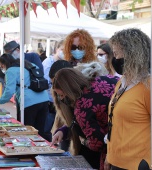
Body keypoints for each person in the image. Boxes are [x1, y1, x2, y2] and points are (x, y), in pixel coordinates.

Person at [51, 67, 118, 169]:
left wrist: (82, 140)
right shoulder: (102, 79)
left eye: (62, 95)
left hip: (113, 150)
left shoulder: (82, 107)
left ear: (69, 90)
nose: (61, 98)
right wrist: (65, 129)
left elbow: (97, 144)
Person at [104, 28, 151, 170]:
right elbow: (116, 122)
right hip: (117, 161)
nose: (114, 59)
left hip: (138, 164)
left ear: (133, 54)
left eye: (117, 53)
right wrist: (109, 154)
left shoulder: (148, 86)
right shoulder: (122, 83)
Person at [0, 54, 49, 139]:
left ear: (4, 64)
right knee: (39, 131)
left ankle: (28, 151)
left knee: (26, 131)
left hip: (29, 102)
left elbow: (9, 91)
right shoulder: (28, 64)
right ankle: (40, 150)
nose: (1, 69)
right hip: (44, 99)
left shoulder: (10, 71)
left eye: (1, 67)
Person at [4, 40, 44, 121]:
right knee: (22, 123)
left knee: (39, 128)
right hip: (22, 98)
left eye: (10, 54)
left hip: (38, 97)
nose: (10, 57)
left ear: (18, 50)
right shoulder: (12, 64)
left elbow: (40, 73)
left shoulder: (32, 56)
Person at [42, 40, 65, 141]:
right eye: (62, 50)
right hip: (50, 100)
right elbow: (47, 83)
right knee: (47, 127)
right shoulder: (48, 62)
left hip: (60, 101)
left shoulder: (63, 63)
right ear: (56, 49)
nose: (64, 52)